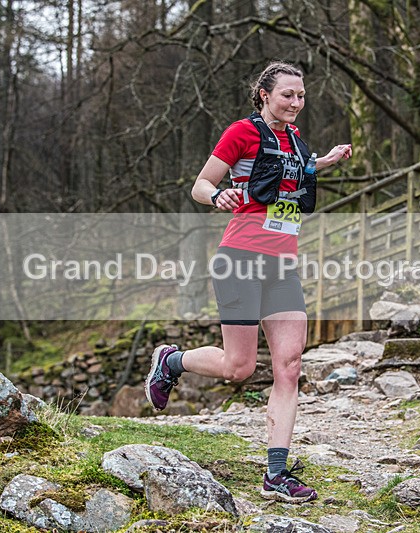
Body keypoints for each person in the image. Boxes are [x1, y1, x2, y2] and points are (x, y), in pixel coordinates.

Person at [145, 61, 352, 503]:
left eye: (300, 95)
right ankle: (171, 361)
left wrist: (323, 162)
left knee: (289, 366)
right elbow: (201, 184)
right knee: (238, 368)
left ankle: (276, 473)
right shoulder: (242, 132)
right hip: (239, 259)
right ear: (264, 95)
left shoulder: (296, 141)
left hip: (282, 266)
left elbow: (290, 177)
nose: (296, 103)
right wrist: (218, 195)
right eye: (287, 95)